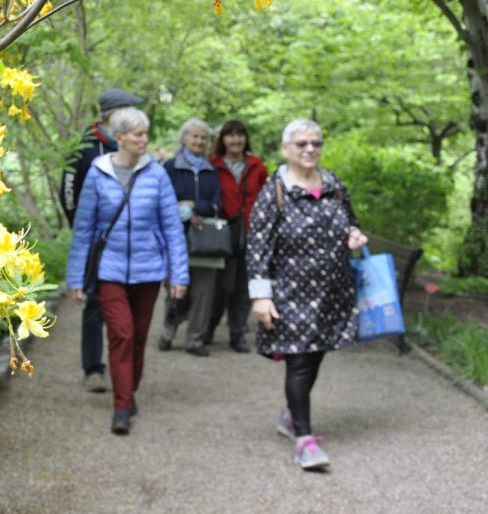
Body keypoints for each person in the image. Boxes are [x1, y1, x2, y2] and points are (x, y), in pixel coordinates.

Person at [247, 118, 368, 470]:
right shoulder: (276, 190)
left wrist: (354, 238)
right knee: (299, 362)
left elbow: (351, 222)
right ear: (286, 150)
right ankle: (304, 439)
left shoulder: (334, 184)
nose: (309, 149)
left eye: (315, 143)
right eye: (301, 144)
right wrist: (261, 296)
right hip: (290, 294)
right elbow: (257, 247)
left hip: (333, 292)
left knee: (315, 356)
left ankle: (290, 417)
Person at [66, 107, 189, 435]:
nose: (144, 140)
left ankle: (127, 390)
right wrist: (76, 277)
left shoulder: (157, 174)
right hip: (109, 269)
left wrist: (179, 275)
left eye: (145, 134)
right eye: (137, 134)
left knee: (137, 338)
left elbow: (172, 228)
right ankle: (122, 407)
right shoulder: (97, 172)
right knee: (121, 333)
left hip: (149, 271)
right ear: (118, 137)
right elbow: (84, 229)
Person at [59, 87, 145, 394]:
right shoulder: (85, 145)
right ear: (113, 113)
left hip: (132, 242)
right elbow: (67, 191)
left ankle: (126, 367)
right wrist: (81, 229)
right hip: (97, 242)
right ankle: (93, 368)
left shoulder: (135, 142)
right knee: (94, 304)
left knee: (129, 306)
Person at [158, 118, 223, 357]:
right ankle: (168, 332)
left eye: (203, 138)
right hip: (175, 239)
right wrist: (183, 212)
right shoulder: (170, 168)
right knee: (175, 289)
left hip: (206, 240)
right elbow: (161, 203)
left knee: (204, 292)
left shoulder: (211, 170)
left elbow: (218, 205)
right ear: (183, 139)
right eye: (194, 136)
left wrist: (195, 207)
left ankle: (195, 339)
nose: (199, 141)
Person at [206, 120, 269, 353]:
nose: (235, 140)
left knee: (244, 286)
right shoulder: (213, 165)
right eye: (230, 136)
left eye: (239, 135)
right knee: (221, 286)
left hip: (252, 231)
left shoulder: (256, 165)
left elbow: (268, 196)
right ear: (223, 139)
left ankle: (237, 333)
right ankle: (208, 328)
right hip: (222, 232)